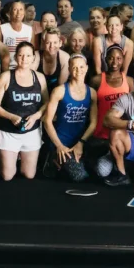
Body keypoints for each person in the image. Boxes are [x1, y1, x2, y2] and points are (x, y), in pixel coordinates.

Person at [0, 42, 48, 181]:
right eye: (21, 55)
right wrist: (11, 117)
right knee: (7, 176)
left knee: (29, 174)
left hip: (31, 130)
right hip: (8, 131)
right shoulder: (6, 76)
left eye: (28, 55)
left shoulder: (39, 77)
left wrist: (36, 116)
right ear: (16, 57)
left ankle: (17, 156)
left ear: (33, 58)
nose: (24, 59)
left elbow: (47, 102)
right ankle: (1, 159)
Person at [42, 53, 96, 181]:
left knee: (98, 171)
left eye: (81, 67)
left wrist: (81, 143)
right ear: (69, 69)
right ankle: (52, 159)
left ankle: (64, 165)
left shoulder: (92, 93)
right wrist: (59, 145)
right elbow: (47, 121)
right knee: (80, 176)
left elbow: (93, 123)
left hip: (80, 141)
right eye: (74, 67)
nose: (78, 70)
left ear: (86, 68)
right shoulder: (59, 91)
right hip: (61, 143)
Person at [94, 15, 134, 81]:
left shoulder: (129, 43)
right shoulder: (98, 41)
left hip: (120, 79)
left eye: (117, 25)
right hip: (102, 77)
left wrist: (118, 83)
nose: (114, 28)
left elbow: (124, 70)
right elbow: (98, 69)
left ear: (121, 27)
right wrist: (103, 83)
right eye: (110, 25)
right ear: (106, 27)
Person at [0, 0, 36, 69]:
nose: (18, 12)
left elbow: (32, 52)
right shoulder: (2, 29)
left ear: (24, 12)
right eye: (15, 9)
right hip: (7, 68)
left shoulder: (29, 30)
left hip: (25, 68)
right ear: (10, 12)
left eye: (21, 9)